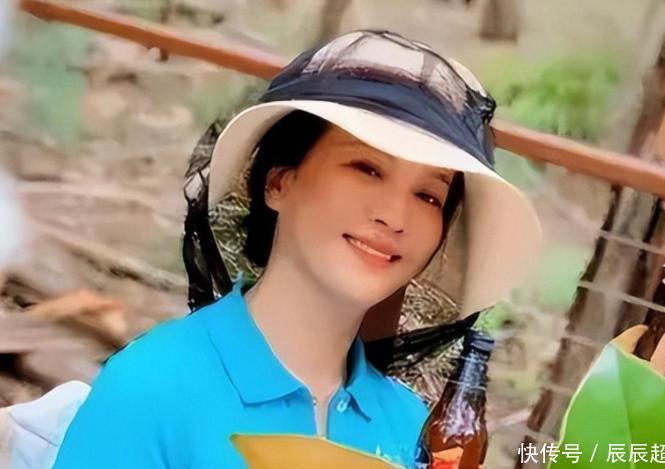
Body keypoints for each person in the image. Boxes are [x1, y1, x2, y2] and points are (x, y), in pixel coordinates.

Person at [53, 30, 542, 468]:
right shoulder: (152, 389)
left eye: (428, 196)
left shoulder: (412, 429)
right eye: (367, 168)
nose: (395, 216)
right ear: (279, 182)